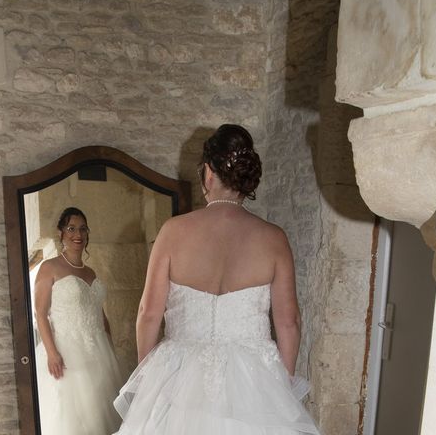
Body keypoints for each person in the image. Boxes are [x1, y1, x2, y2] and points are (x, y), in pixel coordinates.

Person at [113, 124, 321, 434]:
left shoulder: (173, 231)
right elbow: (289, 322)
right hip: (254, 382)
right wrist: (282, 387)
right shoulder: (274, 239)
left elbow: (149, 313)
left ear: (208, 173)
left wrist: (148, 378)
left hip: (178, 376)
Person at [34, 207, 122, 435]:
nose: (78, 234)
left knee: (101, 414)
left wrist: (110, 348)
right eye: (71, 228)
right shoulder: (49, 267)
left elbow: (100, 315)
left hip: (99, 352)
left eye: (83, 229)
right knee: (77, 418)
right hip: (67, 352)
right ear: (61, 233)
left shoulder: (91, 273)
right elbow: (40, 313)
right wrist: (52, 352)